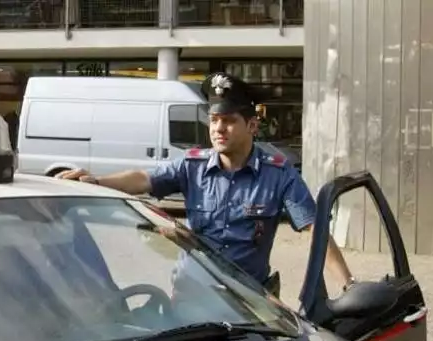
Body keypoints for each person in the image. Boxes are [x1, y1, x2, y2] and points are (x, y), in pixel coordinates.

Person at [58, 71, 355, 298]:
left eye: (227, 120)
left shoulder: (279, 174)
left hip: (251, 301)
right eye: (213, 120)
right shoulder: (192, 166)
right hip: (193, 294)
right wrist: (97, 180)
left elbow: (315, 230)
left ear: (252, 125)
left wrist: (347, 283)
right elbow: (144, 179)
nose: (217, 129)